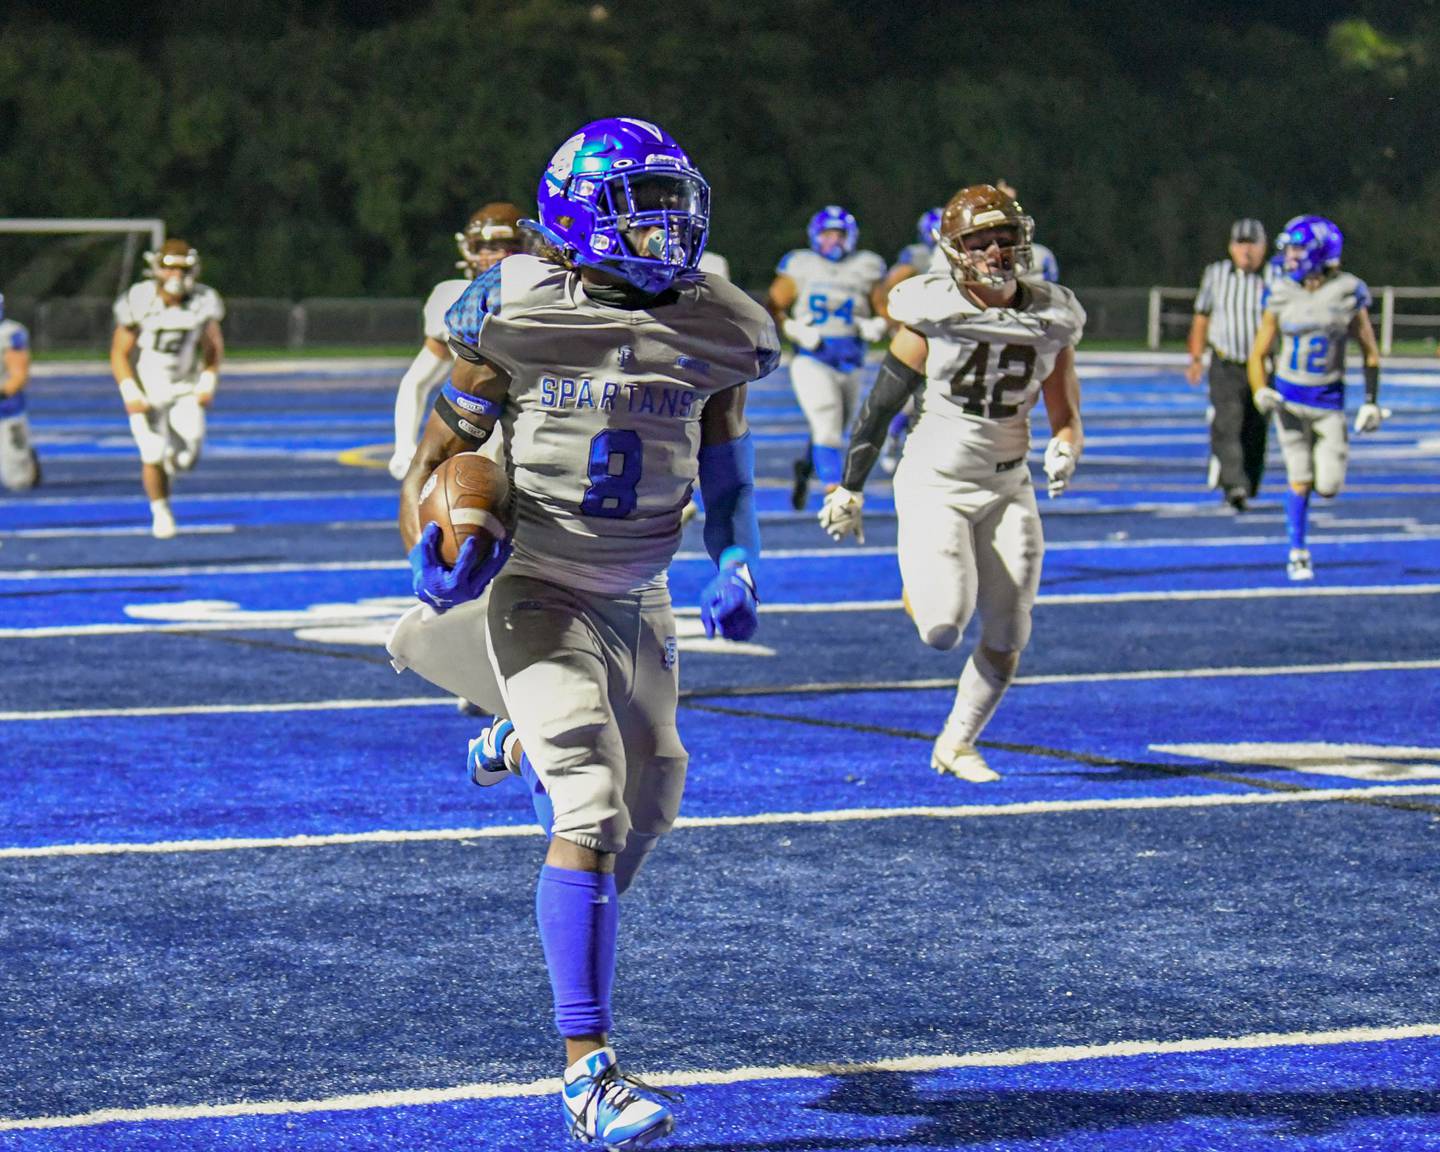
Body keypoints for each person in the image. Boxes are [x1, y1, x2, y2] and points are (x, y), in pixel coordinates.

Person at [395, 116, 778, 1149]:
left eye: (671, 207)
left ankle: (519, 736)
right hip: (541, 586)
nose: (664, 232)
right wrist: (429, 557)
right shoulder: (514, 303)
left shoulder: (718, 320)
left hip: (641, 590)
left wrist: (734, 557)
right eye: (636, 210)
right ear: (574, 215)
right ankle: (587, 1069)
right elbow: (440, 455)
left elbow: (728, 455)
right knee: (596, 809)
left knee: (654, 801)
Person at [819, 184, 1085, 783]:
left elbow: (1065, 414)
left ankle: (957, 743)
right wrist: (850, 486)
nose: (994, 250)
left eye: (1003, 238)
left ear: (1024, 239)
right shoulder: (932, 312)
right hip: (936, 479)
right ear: (954, 249)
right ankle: (918, 573)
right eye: (979, 241)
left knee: (1010, 631)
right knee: (942, 629)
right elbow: (881, 405)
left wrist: (1066, 446)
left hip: (1009, 482)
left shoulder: (1052, 317)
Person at [1248, 214, 1383, 581]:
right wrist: (1261, 389)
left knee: (1328, 486)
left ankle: (1299, 545)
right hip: (1289, 400)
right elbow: (1259, 352)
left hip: (1328, 401)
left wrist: (1370, 399)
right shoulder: (1280, 289)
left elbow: (1369, 351)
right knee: (1299, 477)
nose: (1289, 256)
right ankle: (1297, 550)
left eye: (1297, 248)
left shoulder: (1348, 291)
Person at [388, 203, 525, 481]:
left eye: (505, 245)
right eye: (486, 246)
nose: (494, 256)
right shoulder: (453, 298)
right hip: (474, 437)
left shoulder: (550, 298)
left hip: (528, 441)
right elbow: (416, 381)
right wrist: (403, 448)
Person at [765, 206, 888, 509]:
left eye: (840, 234)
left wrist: (881, 324)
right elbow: (773, 305)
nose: (834, 241)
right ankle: (835, 491)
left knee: (832, 427)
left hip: (852, 359)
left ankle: (805, 468)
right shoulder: (801, 264)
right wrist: (791, 327)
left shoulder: (867, 265)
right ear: (815, 237)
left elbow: (885, 307)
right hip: (813, 356)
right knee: (827, 423)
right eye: (827, 234)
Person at [109, 239, 224, 539]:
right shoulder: (139, 298)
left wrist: (208, 380)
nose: (176, 277)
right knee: (152, 452)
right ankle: (160, 509)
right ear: (157, 269)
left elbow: (213, 347)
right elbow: (119, 352)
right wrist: (130, 391)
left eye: (183, 269)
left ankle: (168, 470)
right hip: (147, 387)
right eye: (170, 269)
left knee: (188, 456)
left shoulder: (204, 300)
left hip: (184, 386)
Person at [1185, 218, 1273, 510]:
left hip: (1261, 366)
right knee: (1226, 424)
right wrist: (1196, 357)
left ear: (1263, 248)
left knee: (1255, 428)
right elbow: (1201, 316)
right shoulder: (1216, 274)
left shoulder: (1274, 277)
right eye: (1241, 244)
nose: (1246, 251)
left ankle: (1249, 481)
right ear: (1231, 247)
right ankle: (1234, 484)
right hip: (1226, 363)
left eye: (1252, 244)